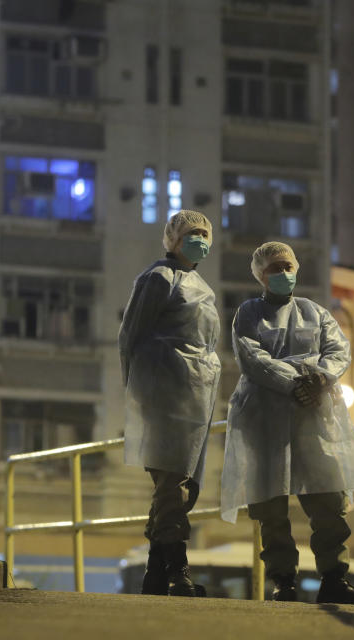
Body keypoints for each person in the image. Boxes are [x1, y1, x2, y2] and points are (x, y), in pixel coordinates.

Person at [220, 241, 354, 604]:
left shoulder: (315, 313)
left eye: (288, 266)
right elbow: (252, 357)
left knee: (328, 498)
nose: (283, 273)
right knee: (270, 504)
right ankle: (282, 581)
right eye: (274, 268)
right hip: (266, 417)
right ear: (260, 274)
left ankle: (335, 577)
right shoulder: (248, 313)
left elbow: (339, 349)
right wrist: (298, 383)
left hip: (313, 417)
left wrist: (321, 377)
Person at [119, 210, 222, 597]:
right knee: (171, 484)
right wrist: (137, 391)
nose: (198, 239)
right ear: (172, 240)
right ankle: (177, 570)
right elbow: (131, 335)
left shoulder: (202, 286)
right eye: (190, 233)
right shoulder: (158, 278)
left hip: (196, 397)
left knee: (181, 487)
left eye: (203, 233)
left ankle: (155, 572)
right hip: (164, 393)